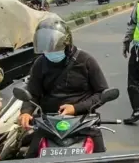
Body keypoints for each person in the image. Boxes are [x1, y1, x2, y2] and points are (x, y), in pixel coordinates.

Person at [18, 17, 110, 152]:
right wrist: (26, 112)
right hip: (49, 123)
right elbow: (32, 93)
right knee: (30, 162)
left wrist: (75, 108)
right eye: (47, 51)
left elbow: (102, 93)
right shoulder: (40, 63)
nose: (50, 54)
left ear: (66, 44)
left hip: (83, 122)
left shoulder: (86, 61)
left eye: (54, 50)